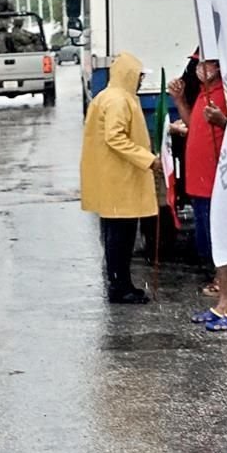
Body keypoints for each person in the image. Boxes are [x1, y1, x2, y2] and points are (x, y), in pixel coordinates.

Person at [80, 52, 160, 304]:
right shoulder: (118, 100)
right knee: (120, 237)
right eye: (139, 76)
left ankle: (121, 284)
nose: (140, 81)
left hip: (115, 177)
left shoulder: (111, 96)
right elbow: (115, 137)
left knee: (118, 236)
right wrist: (147, 159)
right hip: (119, 178)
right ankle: (120, 287)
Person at [169, 52, 227, 300]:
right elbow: (194, 123)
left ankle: (224, 282)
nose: (200, 68)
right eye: (198, 63)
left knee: (218, 234)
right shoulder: (204, 93)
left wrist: (223, 121)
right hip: (199, 180)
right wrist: (180, 100)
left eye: (207, 63)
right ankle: (220, 278)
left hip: (215, 179)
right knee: (204, 234)